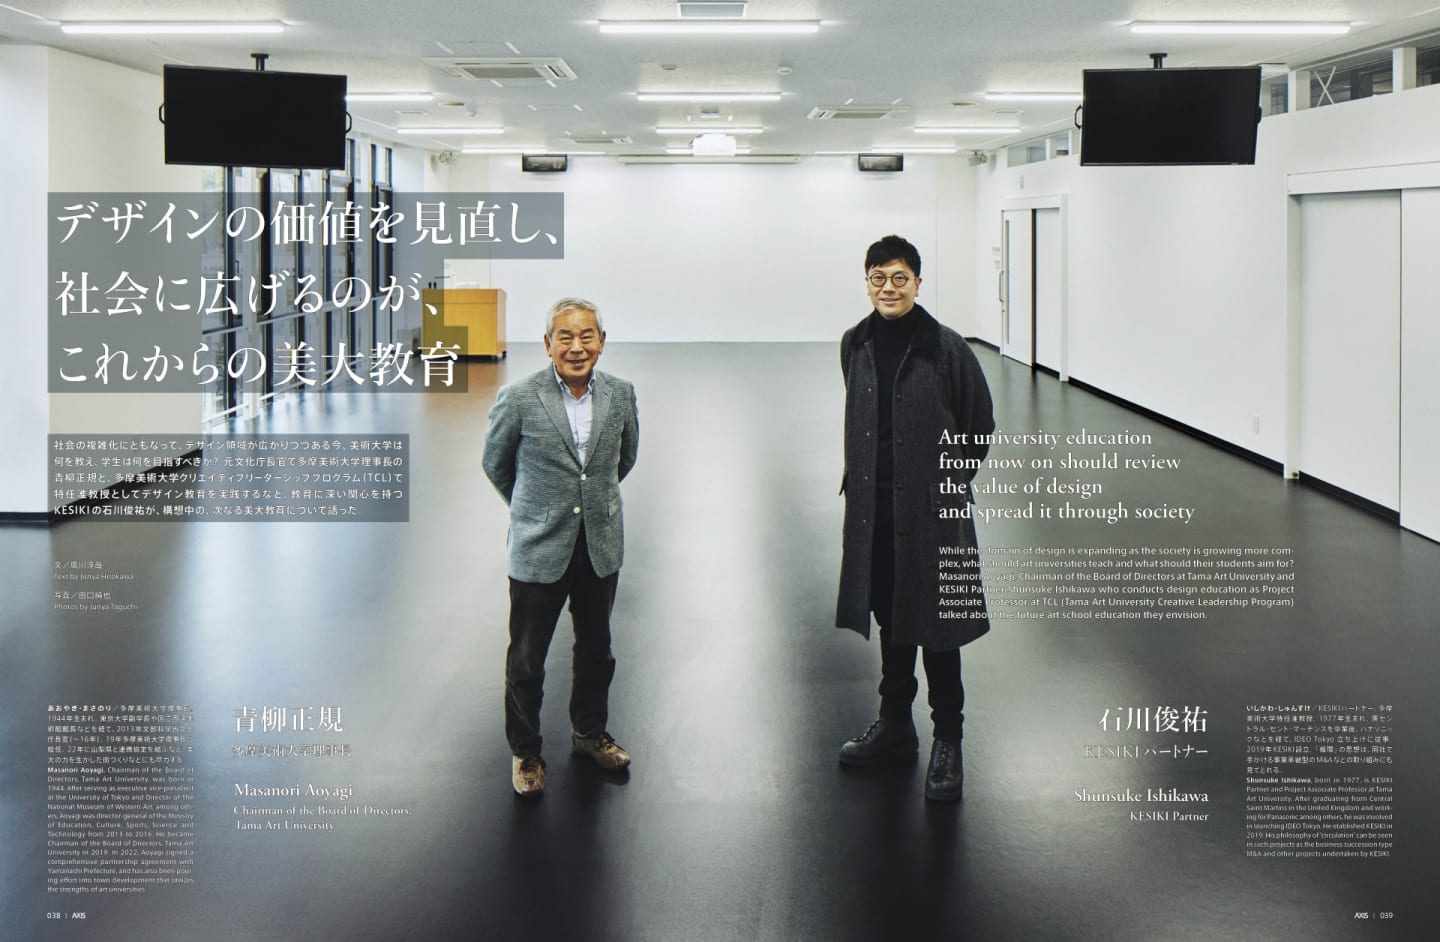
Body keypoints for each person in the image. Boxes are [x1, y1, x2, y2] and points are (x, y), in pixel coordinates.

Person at [835, 235, 995, 802]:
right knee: (891, 615)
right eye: (878, 277)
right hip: (874, 513)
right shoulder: (855, 343)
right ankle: (896, 725)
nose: (888, 288)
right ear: (867, 283)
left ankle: (948, 739)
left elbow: (979, 425)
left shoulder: (947, 349)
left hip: (933, 517)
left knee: (939, 626)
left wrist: (945, 485)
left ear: (918, 284)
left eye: (899, 277)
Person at [482, 297, 639, 798]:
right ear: (547, 344)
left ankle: (590, 733)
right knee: (527, 660)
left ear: (601, 342)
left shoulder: (620, 394)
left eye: (586, 336)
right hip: (538, 547)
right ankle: (526, 752)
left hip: (599, 545)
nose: (577, 347)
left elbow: (625, 458)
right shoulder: (519, 397)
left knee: (597, 651)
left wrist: (590, 505)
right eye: (565, 337)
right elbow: (495, 463)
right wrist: (533, 510)